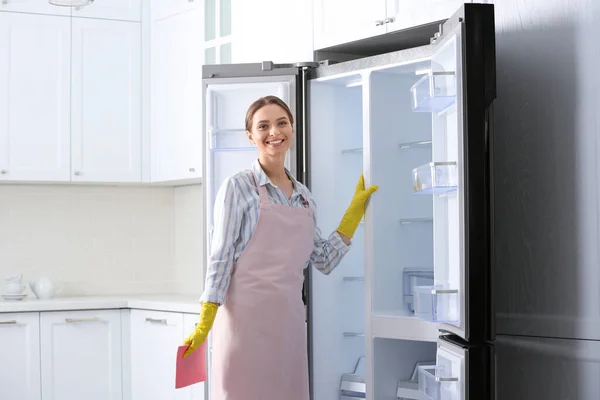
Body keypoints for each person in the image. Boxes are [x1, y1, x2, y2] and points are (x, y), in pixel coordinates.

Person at [182, 95, 378, 400]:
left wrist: (353, 215)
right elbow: (220, 257)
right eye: (264, 126)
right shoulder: (238, 187)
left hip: (287, 327)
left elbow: (324, 260)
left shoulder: (303, 196)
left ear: (292, 129)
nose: (274, 131)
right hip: (243, 327)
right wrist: (206, 317)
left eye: (281, 123)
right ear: (251, 136)